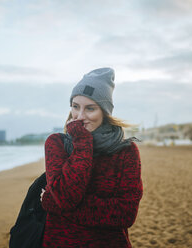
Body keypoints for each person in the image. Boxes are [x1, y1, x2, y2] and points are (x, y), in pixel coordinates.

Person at [40, 67, 143, 247]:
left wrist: (52, 202)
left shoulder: (126, 152)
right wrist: (81, 142)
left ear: (104, 111)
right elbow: (66, 197)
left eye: (90, 108)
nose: (80, 117)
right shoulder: (56, 144)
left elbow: (125, 214)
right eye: (75, 107)